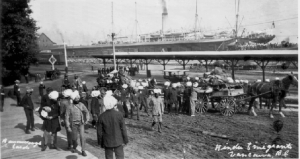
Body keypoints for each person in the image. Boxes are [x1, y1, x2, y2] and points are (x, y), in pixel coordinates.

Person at [97, 93, 129, 159]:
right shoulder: (119, 115)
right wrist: (125, 139)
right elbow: (123, 129)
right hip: (118, 140)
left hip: (107, 141)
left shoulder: (101, 116)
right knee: (120, 156)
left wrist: (100, 142)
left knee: (109, 157)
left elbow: (99, 132)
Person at [65, 91, 90, 156]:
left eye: (78, 98)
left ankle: (83, 150)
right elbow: (66, 116)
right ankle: (74, 146)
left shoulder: (81, 104)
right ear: (73, 99)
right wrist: (68, 126)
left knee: (82, 137)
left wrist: (87, 118)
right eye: (76, 98)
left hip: (81, 124)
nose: (77, 99)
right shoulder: (69, 106)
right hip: (73, 124)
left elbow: (87, 111)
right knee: (74, 138)